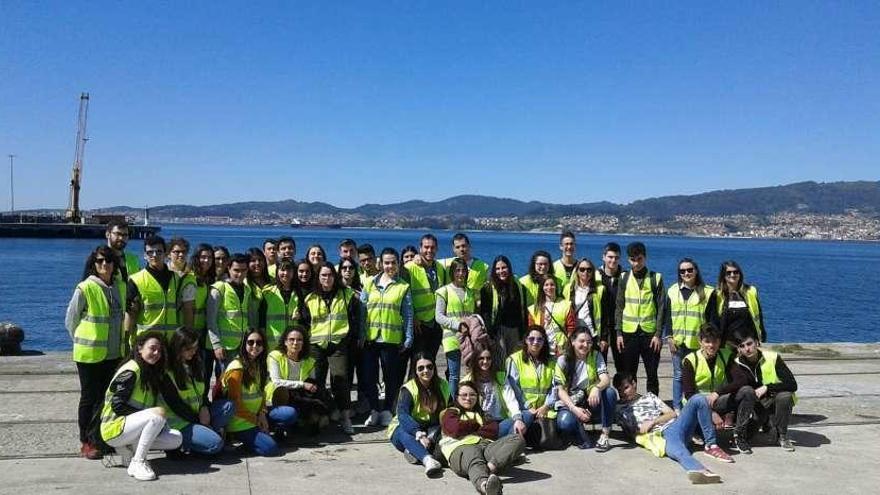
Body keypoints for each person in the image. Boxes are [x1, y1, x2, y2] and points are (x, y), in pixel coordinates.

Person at [614, 371, 732, 485]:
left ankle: (711, 445)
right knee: (680, 453)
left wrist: (653, 421)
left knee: (698, 399)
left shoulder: (649, 397)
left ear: (634, 383)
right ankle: (701, 471)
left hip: (675, 426)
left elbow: (672, 414)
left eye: (626, 388)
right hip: (661, 436)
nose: (623, 393)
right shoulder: (620, 408)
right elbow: (633, 431)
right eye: (620, 391)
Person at [66, 245, 127, 459]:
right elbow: (71, 320)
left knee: (106, 398)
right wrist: (81, 341)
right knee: (89, 398)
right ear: (93, 264)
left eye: (108, 261)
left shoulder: (120, 286)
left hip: (113, 353)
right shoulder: (85, 287)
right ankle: (86, 441)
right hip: (90, 354)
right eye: (100, 261)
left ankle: (100, 439)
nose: (104, 265)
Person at [99, 332, 183, 481]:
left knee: (176, 438)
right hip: (113, 428)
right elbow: (117, 405)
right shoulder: (131, 371)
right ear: (139, 348)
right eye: (152, 348)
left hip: (131, 428)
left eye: (160, 350)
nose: (156, 353)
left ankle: (129, 451)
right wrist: (150, 415)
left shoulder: (151, 372)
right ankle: (138, 462)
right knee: (158, 415)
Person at [439, 381, 526, 495]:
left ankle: (490, 467)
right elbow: (455, 429)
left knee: (518, 439)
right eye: (464, 395)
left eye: (472, 394)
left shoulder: (482, 413)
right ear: (457, 397)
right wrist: (476, 424)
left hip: (485, 446)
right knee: (473, 454)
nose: (468, 398)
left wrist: (467, 428)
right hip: (460, 448)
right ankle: (485, 486)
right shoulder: (450, 412)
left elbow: (492, 430)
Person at [302, 262, 359, 434]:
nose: (327, 278)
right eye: (323, 275)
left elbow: (354, 319)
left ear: (335, 277)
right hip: (315, 345)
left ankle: (345, 416)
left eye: (330, 275)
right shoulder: (310, 298)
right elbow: (305, 323)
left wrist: (347, 339)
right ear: (318, 278)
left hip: (338, 344)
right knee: (315, 381)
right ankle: (320, 415)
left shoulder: (347, 294)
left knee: (340, 379)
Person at [719, 329, 798, 453]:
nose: (747, 349)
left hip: (773, 398)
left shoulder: (772, 357)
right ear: (739, 349)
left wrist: (767, 387)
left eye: (749, 344)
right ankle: (761, 424)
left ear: (756, 343)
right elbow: (735, 392)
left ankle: (782, 436)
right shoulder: (736, 363)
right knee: (749, 435)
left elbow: (792, 384)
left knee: (785, 396)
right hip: (755, 404)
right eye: (742, 346)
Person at [361, 247, 414, 427]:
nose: (390, 266)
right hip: (370, 338)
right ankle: (374, 409)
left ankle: (387, 410)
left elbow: (408, 314)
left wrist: (408, 338)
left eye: (393, 262)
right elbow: (362, 310)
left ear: (398, 264)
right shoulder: (369, 283)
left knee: (390, 377)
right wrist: (361, 334)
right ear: (380, 263)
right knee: (369, 376)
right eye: (386, 262)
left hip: (391, 339)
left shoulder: (403, 287)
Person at [162, 327, 233, 456]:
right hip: (180, 422)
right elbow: (177, 406)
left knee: (228, 406)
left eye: (195, 348)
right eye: (189, 349)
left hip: (198, 414)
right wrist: (199, 421)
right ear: (178, 347)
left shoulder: (196, 364)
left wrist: (205, 406)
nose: (193, 352)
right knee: (216, 444)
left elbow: (203, 392)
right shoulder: (168, 372)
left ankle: (204, 437)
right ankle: (181, 444)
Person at [223, 329, 294, 456]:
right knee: (271, 449)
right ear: (244, 344)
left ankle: (262, 434)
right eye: (250, 342)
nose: (255, 346)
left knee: (290, 413)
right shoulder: (237, 368)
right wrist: (257, 421)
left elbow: (262, 395)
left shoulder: (259, 365)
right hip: (240, 421)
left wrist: (262, 413)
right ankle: (241, 438)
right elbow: (236, 405)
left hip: (256, 414)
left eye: (259, 343)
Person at [663, 258, 716, 412]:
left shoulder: (707, 292)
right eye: (682, 271)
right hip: (678, 342)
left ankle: (694, 407)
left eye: (689, 270)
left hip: (697, 343)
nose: (686, 273)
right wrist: (669, 337)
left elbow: (711, 320)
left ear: (696, 271)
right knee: (678, 375)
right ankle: (677, 408)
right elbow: (668, 316)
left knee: (696, 376)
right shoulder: (672, 290)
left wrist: (707, 342)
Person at [387, 353, 450, 477]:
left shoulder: (443, 385)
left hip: (432, 429)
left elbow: (450, 409)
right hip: (407, 428)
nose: (425, 371)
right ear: (415, 371)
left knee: (444, 443)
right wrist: (419, 434)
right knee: (402, 433)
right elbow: (403, 415)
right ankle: (427, 460)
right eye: (421, 368)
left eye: (429, 367)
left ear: (434, 368)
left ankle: (414, 452)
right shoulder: (409, 388)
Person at [615, 241, 665, 396]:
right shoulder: (623, 278)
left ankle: (654, 406)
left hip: (649, 334)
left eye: (639, 259)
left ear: (645, 258)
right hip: (629, 333)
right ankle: (631, 405)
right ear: (628, 260)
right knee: (630, 374)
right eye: (632, 259)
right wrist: (618, 333)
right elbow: (619, 306)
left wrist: (658, 334)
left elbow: (661, 308)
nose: (636, 263)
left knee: (652, 374)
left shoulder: (655, 278)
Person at [552, 328, 615, 450]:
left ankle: (605, 435)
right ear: (573, 341)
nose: (585, 345)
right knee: (565, 423)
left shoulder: (596, 355)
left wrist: (597, 388)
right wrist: (575, 410)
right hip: (571, 402)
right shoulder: (563, 360)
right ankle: (577, 427)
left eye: (589, 342)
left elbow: (605, 379)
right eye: (581, 341)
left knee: (610, 393)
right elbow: (560, 390)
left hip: (590, 400)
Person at [264, 327, 328, 436]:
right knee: (290, 407)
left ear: (304, 343)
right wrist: (302, 384)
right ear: (285, 342)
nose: (295, 343)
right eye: (291, 339)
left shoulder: (309, 361)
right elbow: (276, 381)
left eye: (299, 340)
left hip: (299, 396)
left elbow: (312, 383)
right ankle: (279, 424)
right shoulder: (275, 356)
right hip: (276, 398)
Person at [403, 234, 447, 377]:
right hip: (418, 324)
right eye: (426, 247)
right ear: (420, 248)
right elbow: (404, 295)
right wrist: (413, 317)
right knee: (417, 364)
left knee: (430, 364)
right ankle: (413, 396)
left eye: (432, 247)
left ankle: (428, 396)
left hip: (435, 324)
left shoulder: (440, 267)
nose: (429, 250)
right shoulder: (410, 268)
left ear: (437, 249)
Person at [206, 253, 258, 374]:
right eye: (236, 270)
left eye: (244, 270)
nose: (240, 274)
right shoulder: (219, 288)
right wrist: (217, 345)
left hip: (242, 347)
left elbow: (248, 319)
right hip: (224, 348)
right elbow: (210, 320)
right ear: (228, 268)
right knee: (223, 383)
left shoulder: (247, 290)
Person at [503, 326, 556, 440]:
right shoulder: (514, 359)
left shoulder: (552, 361)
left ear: (544, 341)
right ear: (526, 340)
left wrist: (546, 406)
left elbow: (555, 387)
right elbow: (514, 388)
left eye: (540, 339)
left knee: (563, 423)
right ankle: (510, 444)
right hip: (524, 409)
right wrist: (528, 406)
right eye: (531, 339)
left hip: (545, 410)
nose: (535, 342)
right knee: (525, 419)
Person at [126, 235, 181, 343]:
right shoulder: (136, 280)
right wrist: (126, 342)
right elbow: (129, 314)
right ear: (145, 256)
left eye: (159, 251)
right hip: (145, 343)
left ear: (166, 254)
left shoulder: (175, 278)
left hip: (170, 342)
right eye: (150, 252)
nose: (154, 255)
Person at [435, 257, 477, 398]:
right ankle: (454, 404)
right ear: (452, 272)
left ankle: (469, 401)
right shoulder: (444, 291)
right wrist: (457, 325)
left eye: (463, 270)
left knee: (471, 373)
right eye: (457, 270)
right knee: (454, 375)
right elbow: (439, 316)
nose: (461, 273)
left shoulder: (470, 292)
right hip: (452, 338)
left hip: (469, 339)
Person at [681, 323, 733, 431]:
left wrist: (718, 393)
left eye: (715, 341)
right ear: (700, 342)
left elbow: (737, 382)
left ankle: (740, 434)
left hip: (717, 399)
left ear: (719, 342)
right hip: (696, 403)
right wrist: (711, 413)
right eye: (707, 341)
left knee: (744, 392)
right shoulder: (690, 360)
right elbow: (689, 394)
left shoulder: (726, 356)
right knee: (701, 432)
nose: (711, 345)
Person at [479, 255, 527, 366]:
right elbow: (485, 313)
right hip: (497, 331)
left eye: (504, 268)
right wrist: (489, 334)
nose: (501, 271)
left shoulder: (518, 286)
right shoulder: (487, 288)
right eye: (497, 269)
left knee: (514, 362)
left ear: (509, 268)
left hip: (515, 330)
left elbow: (522, 309)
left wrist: (523, 333)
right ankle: (501, 383)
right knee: (500, 362)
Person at [564, 258, 611, 357]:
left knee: (594, 368)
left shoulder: (600, 290)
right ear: (576, 271)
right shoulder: (568, 289)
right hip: (574, 335)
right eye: (582, 269)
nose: (585, 272)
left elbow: (605, 316)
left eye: (589, 270)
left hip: (592, 335)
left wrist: (604, 338)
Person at [715, 261, 766, 345]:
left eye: (736, 272)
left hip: (748, 343)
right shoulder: (717, 294)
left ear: (740, 274)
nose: (732, 275)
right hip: (725, 343)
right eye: (729, 273)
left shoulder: (751, 291)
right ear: (723, 275)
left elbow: (759, 315)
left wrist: (762, 335)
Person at [527, 276, 574, 357]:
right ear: (542, 287)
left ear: (556, 286)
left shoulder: (566, 304)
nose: (549, 287)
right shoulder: (534, 308)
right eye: (546, 285)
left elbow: (571, 328)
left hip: (560, 349)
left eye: (552, 284)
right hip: (541, 348)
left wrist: (566, 346)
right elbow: (531, 330)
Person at [596, 242, 624, 368]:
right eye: (610, 257)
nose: (613, 260)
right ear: (604, 257)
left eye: (616, 258)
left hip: (620, 327)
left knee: (622, 366)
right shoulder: (595, 276)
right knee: (600, 365)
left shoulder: (625, 276)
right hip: (601, 327)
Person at [260, 259, 301, 345]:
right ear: (277, 272)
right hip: (272, 342)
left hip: (293, 342)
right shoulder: (267, 292)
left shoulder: (299, 293)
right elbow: (261, 318)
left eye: (289, 270)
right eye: (282, 270)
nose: (285, 273)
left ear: (293, 273)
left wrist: (300, 315)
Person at [169, 238, 197, 332]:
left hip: (179, 329)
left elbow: (188, 310)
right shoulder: (162, 273)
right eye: (177, 252)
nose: (181, 254)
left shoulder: (190, 277)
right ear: (169, 254)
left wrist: (188, 333)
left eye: (184, 252)